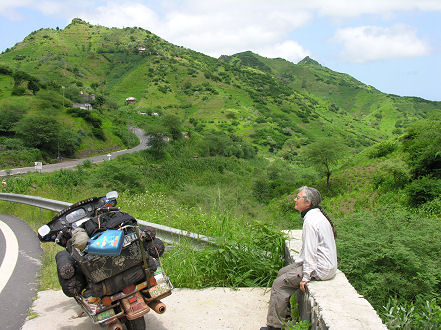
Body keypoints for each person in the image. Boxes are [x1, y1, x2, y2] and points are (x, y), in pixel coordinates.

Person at [260, 186, 337, 330]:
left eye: (298, 197)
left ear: (308, 203)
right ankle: (285, 315)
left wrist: (306, 276)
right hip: (325, 265)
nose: (295, 199)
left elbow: (310, 251)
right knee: (283, 272)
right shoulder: (315, 216)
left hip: (320, 268)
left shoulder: (310, 221)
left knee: (279, 284)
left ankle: (274, 326)